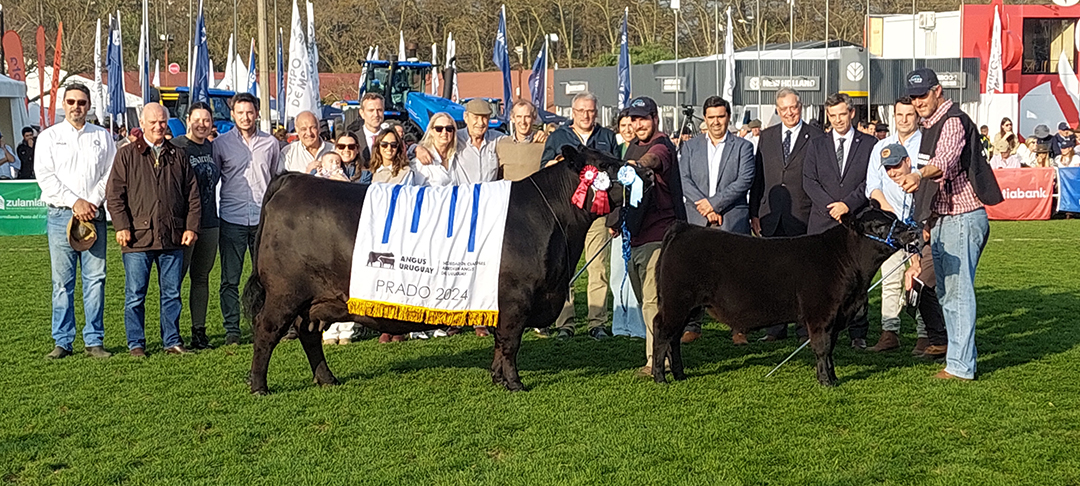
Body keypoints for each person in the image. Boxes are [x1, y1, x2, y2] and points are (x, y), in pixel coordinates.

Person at [897, 67, 1000, 381]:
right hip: (944, 219)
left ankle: (961, 366)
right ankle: (958, 360)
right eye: (914, 97)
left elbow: (943, 162)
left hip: (963, 217)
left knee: (958, 295)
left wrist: (917, 175)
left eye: (923, 95)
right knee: (948, 296)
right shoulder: (931, 124)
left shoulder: (952, 121)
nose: (918, 102)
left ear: (937, 90)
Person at [106, 103, 201, 357]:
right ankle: (136, 343)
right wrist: (121, 226)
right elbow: (114, 195)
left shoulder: (179, 155)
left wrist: (191, 227)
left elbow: (193, 195)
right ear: (142, 123)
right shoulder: (126, 155)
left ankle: (172, 340)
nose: (158, 126)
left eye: (162, 121)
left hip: (172, 237)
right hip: (137, 238)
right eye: (153, 122)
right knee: (135, 295)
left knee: (172, 294)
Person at [36, 83, 116, 359]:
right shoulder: (48, 137)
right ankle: (62, 340)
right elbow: (46, 177)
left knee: (96, 279)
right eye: (71, 102)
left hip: (94, 216)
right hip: (61, 216)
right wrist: (75, 202)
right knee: (62, 283)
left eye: (81, 102)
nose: (76, 107)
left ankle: (94, 340)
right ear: (63, 104)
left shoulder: (102, 136)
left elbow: (111, 174)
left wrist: (91, 202)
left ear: (89, 105)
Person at [539, 91, 619, 341]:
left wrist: (614, 217)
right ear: (572, 113)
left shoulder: (606, 137)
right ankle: (565, 323)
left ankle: (597, 323)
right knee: (565, 268)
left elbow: (617, 176)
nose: (586, 115)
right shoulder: (558, 136)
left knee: (598, 268)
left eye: (591, 110)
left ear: (596, 112)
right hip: (567, 216)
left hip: (597, 213)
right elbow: (544, 169)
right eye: (581, 110)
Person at [676, 95, 755, 344]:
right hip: (697, 220)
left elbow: (744, 180)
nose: (716, 122)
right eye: (711, 117)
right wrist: (705, 207)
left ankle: (739, 326)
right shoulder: (690, 147)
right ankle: (693, 324)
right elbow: (683, 179)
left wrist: (715, 203)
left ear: (728, 117)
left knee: (737, 275)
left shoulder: (743, 147)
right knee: (695, 274)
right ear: (705, 119)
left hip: (731, 219)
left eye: (720, 116)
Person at [750, 88, 825, 341]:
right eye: (784, 109)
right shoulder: (767, 136)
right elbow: (758, 177)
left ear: (800, 107)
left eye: (793, 107)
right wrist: (754, 213)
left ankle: (804, 328)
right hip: (771, 216)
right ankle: (775, 328)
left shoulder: (815, 136)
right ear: (777, 110)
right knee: (772, 277)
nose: (789, 113)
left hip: (803, 215)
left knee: (804, 278)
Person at [803, 92, 875, 349]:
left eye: (842, 114)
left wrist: (848, 204)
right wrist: (828, 206)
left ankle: (858, 332)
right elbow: (809, 180)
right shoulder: (817, 144)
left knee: (858, 279)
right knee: (816, 281)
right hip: (822, 222)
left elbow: (871, 181)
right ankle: (813, 330)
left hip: (854, 223)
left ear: (852, 113)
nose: (837, 120)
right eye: (832, 116)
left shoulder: (869, 144)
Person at [213, 92, 284, 346]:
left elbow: (276, 179)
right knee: (230, 279)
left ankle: (263, 324)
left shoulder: (271, 144)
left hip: (263, 221)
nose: (245, 117)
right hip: (232, 219)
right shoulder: (220, 144)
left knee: (266, 277)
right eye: (240, 112)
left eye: (250, 112)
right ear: (232, 114)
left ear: (257, 113)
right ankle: (232, 328)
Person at [623, 96, 685, 376]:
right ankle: (662, 353)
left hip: (660, 235)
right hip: (635, 235)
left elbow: (654, 160)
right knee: (645, 300)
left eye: (643, 119)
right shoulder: (632, 147)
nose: (638, 124)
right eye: (634, 120)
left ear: (655, 119)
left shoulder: (661, 144)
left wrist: (636, 166)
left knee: (652, 301)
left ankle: (657, 360)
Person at [875, 144, 949, 359]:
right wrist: (914, 260)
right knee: (920, 287)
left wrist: (917, 259)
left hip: (942, 240)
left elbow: (929, 222)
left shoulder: (924, 183)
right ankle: (937, 340)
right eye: (888, 168)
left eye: (896, 166)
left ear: (908, 161)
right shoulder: (900, 190)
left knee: (926, 286)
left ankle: (940, 341)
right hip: (922, 244)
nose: (893, 172)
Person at [865, 97, 925, 353]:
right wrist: (890, 215)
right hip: (891, 228)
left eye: (909, 115)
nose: (903, 120)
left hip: (919, 223)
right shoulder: (881, 146)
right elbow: (872, 186)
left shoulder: (925, 144)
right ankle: (890, 332)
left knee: (921, 280)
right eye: (899, 115)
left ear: (917, 116)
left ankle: (925, 333)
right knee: (889, 279)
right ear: (893, 115)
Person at [171, 102, 221, 350]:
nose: (202, 124)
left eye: (206, 120)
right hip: (184, 225)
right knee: (176, 280)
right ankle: (172, 333)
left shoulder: (212, 147)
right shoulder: (178, 146)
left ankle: (199, 332)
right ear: (188, 119)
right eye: (197, 119)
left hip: (210, 221)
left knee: (201, 278)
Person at [410, 112, 457, 187]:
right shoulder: (421, 161)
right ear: (431, 131)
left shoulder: (457, 155)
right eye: (439, 129)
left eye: (449, 129)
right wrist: (414, 148)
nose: (444, 132)